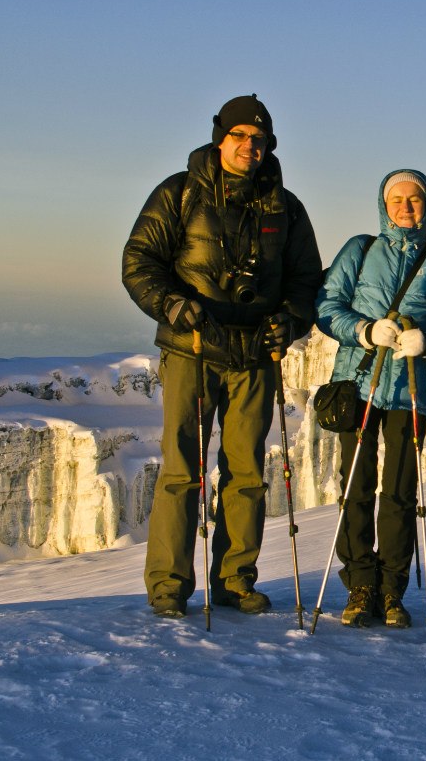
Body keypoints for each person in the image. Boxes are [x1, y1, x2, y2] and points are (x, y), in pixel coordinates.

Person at [122, 94, 323, 619]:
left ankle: (236, 579)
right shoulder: (180, 193)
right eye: (239, 136)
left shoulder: (286, 206)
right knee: (181, 472)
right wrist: (170, 304)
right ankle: (168, 585)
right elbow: (139, 260)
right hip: (192, 348)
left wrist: (292, 321)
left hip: (256, 353)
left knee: (246, 472)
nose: (248, 146)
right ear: (220, 137)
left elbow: (306, 282)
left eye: (258, 139)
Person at [315, 169, 426, 628]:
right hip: (358, 383)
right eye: (396, 200)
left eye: (414, 200)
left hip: (411, 390)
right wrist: (364, 331)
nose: (405, 208)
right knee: (356, 484)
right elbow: (326, 306)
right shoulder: (360, 249)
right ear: (383, 205)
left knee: (399, 491)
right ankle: (360, 583)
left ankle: (391, 587)